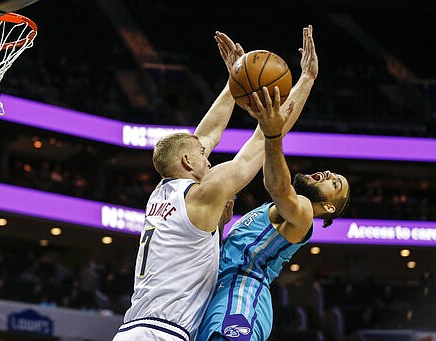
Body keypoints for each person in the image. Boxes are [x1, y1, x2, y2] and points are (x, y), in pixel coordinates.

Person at [112, 26, 317, 341]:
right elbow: (260, 144)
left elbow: (205, 135)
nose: (208, 160)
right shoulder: (202, 194)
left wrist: (233, 84)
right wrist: (306, 81)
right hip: (162, 334)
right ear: (187, 163)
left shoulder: (162, 191)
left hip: (133, 328)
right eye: (202, 156)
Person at [195, 26, 351, 341]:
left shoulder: (304, 213)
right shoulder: (275, 211)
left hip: (243, 294)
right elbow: (262, 138)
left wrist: (272, 134)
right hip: (219, 291)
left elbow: (278, 185)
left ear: (329, 206)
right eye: (331, 173)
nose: (327, 174)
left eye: (335, 183)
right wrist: (306, 79)